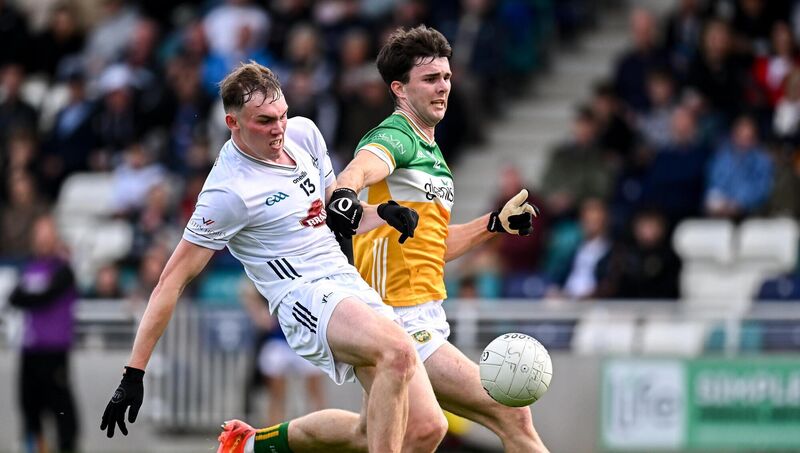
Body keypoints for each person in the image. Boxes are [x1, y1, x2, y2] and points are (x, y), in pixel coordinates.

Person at [100, 62, 447, 453]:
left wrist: (381, 213)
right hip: (303, 298)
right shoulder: (228, 193)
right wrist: (134, 372)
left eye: (281, 115)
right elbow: (171, 281)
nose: (279, 128)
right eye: (264, 121)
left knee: (425, 426)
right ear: (233, 122)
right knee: (397, 352)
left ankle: (250, 445)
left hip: (347, 284)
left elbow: (336, 213)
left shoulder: (304, 134)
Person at [327, 26, 549, 452]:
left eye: (447, 77)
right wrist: (344, 191)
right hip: (395, 319)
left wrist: (494, 225)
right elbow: (360, 168)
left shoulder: (432, 152)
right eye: (430, 79)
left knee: (363, 433)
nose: (443, 87)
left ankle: (254, 443)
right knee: (499, 415)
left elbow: (432, 247)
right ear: (399, 89)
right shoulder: (396, 136)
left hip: (425, 314)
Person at [10, 214, 80, 453]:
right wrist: (31, 297)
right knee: (30, 412)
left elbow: (43, 296)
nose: (43, 240)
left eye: (47, 235)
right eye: (39, 235)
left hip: (55, 352)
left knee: (62, 413)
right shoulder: (29, 267)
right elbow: (15, 297)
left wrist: (30, 297)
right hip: (30, 351)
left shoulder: (64, 270)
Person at [239, 279, 325, 425]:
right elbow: (247, 289)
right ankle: (273, 439)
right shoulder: (275, 265)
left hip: (307, 341)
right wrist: (258, 313)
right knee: (277, 395)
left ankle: (320, 437)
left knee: (315, 394)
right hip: (278, 341)